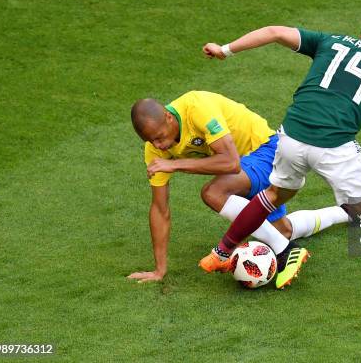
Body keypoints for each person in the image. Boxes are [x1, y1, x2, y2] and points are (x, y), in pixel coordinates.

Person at [199, 17, 361, 325]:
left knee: (273, 195)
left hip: (290, 137)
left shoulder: (329, 41)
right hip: (334, 148)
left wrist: (225, 49)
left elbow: (273, 32)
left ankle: (220, 254)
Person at [127, 91, 349, 288]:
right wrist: (159, 269)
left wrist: (174, 164)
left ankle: (287, 250)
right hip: (245, 173)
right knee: (282, 229)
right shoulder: (155, 152)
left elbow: (231, 163)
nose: (157, 145)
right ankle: (349, 211)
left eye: (159, 137)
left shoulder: (196, 107)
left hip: (267, 151)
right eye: (149, 141)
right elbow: (159, 209)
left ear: (167, 116)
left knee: (213, 193)